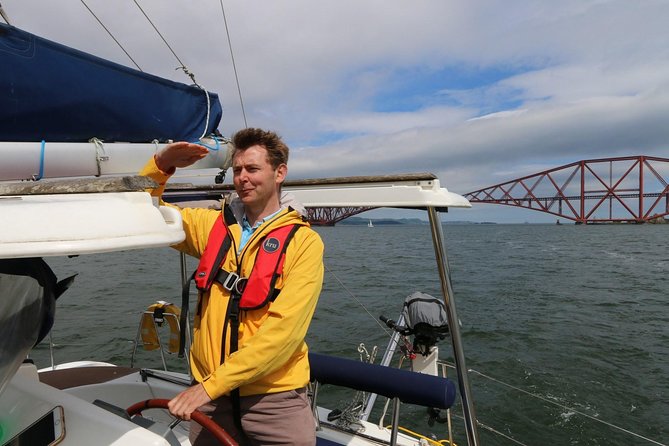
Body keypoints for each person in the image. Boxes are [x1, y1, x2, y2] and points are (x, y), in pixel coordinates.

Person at [139, 128, 324, 445]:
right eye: (237, 170)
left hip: (273, 399)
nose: (242, 178)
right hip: (211, 398)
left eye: (252, 169)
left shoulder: (304, 243)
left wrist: (208, 388)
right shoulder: (211, 226)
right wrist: (161, 164)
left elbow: (283, 334)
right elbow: (143, 213)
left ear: (279, 173)